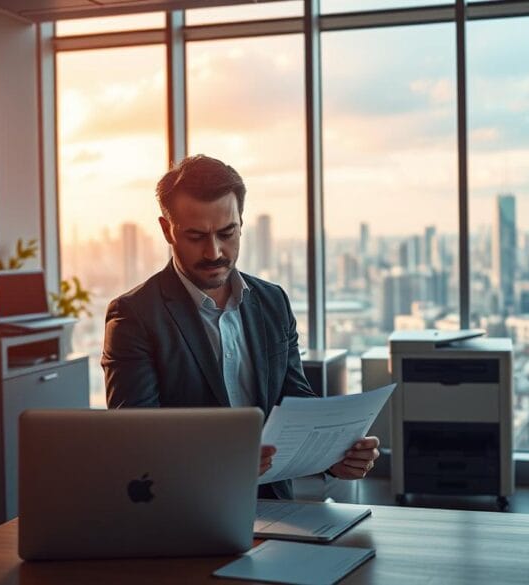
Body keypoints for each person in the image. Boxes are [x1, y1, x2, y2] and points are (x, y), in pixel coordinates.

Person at [102, 154, 380, 499]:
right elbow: (134, 436)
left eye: (226, 233)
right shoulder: (135, 316)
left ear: (241, 223)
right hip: (183, 511)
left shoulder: (272, 301)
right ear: (166, 230)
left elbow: (294, 401)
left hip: (277, 511)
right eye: (195, 236)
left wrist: (334, 456)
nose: (214, 251)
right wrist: (222, 461)